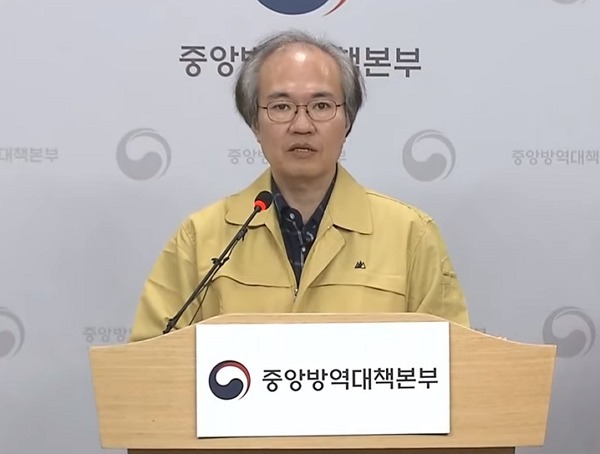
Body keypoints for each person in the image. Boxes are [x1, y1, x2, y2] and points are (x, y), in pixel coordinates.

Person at [128, 29, 469, 342]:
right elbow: (149, 366)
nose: (302, 125)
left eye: (321, 106)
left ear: (348, 121)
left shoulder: (411, 235)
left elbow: (456, 364)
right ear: (255, 123)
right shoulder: (200, 238)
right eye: (281, 107)